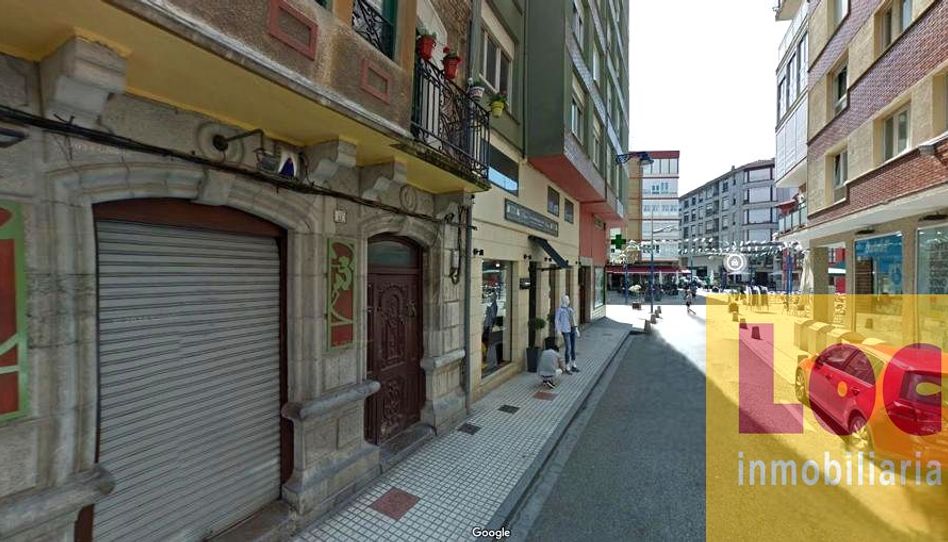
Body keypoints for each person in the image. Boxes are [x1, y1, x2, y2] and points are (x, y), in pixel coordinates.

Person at [555, 294, 581, 373]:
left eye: (568, 299)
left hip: (572, 329)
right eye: (567, 299)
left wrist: (576, 329)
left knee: (573, 347)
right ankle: (567, 366)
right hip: (566, 331)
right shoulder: (560, 310)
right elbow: (557, 321)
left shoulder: (570, 309)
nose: (569, 300)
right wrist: (558, 330)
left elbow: (574, 320)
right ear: (564, 300)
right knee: (568, 348)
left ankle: (573, 364)